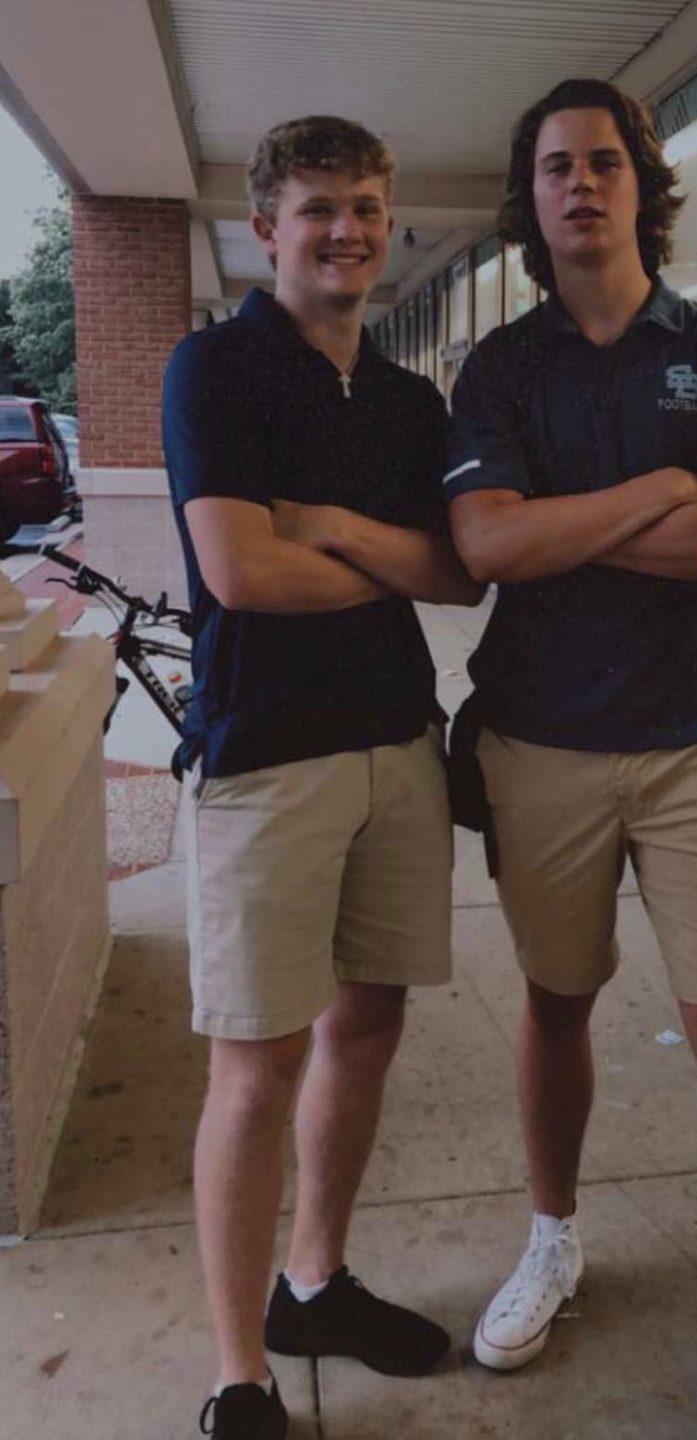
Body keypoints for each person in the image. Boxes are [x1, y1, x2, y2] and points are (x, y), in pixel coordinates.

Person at [444, 77, 697, 1438]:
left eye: (604, 162)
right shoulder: (500, 367)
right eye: (555, 165)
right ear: (532, 196)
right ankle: (553, 1236)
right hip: (539, 741)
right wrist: (664, 490)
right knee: (556, 1004)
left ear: (640, 185)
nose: (580, 184)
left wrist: (564, 520)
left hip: (694, 742)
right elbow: (484, 549)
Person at [162, 115, 481, 1440]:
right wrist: (388, 556)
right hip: (265, 760)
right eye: (317, 210)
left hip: (399, 744)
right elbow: (240, 574)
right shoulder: (213, 372)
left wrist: (339, 528)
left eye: (364, 205)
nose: (345, 228)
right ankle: (243, 1376)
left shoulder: (412, 404)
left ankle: (317, 1281)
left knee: (368, 1027)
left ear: (388, 217)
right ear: (266, 230)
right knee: (258, 1065)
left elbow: (461, 574)